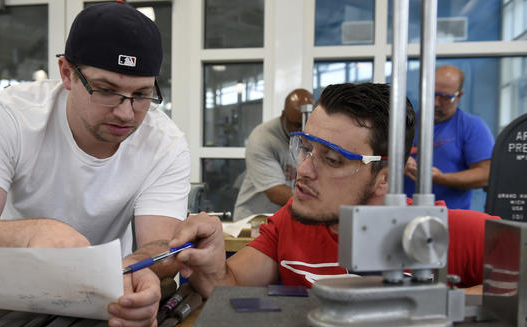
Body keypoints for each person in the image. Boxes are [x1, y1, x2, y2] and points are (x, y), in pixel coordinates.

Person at [0, 2, 190, 327]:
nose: (126, 114)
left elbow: (161, 247)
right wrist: (31, 235)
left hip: (108, 297)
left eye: (141, 94)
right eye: (107, 90)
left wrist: (140, 273)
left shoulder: (164, 142)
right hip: (3, 299)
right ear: (67, 73)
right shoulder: (5, 116)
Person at [170, 83, 499, 299]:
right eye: (305, 148)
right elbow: (228, 288)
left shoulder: (440, 232)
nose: (304, 170)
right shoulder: (292, 222)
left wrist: (434, 303)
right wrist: (209, 264)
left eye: (332, 159)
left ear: (384, 177)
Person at [404, 65, 495, 210]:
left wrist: (441, 178)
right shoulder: (402, 124)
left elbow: (486, 174)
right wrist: (398, 163)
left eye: (445, 98)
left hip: (451, 219)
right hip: (401, 214)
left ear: (459, 96)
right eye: (431, 94)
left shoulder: (471, 126)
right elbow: (373, 159)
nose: (435, 103)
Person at [233, 89, 314, 221]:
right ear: (283, 116)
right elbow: (275, 192)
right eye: (296, 125)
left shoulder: (312, 136)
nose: (301, 131)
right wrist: (316, 205)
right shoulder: (263, 138)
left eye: (305, 124)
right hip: (253, 220)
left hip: (283, 218)